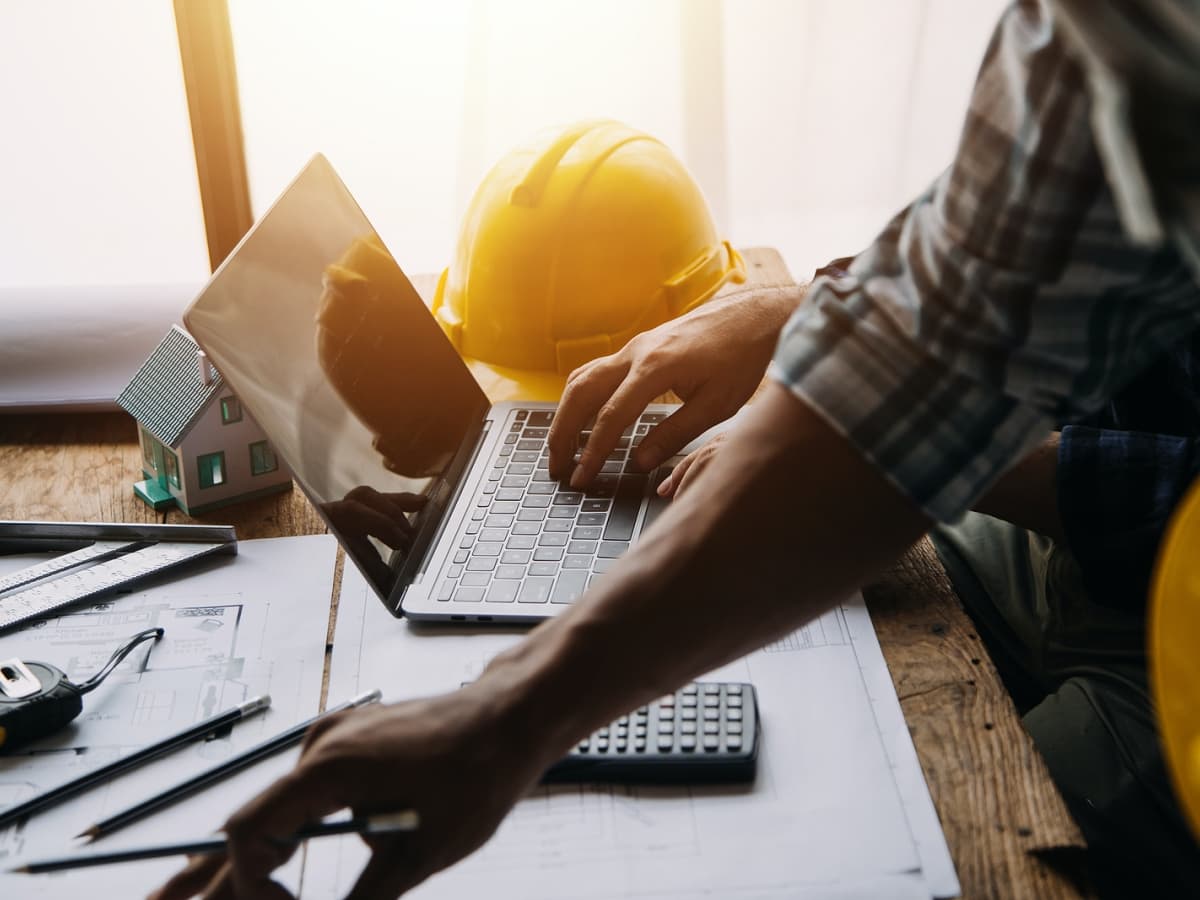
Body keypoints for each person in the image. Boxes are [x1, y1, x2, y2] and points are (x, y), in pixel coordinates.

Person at [154, 1, 1200, 897]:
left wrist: (504, 716)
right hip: (1087, 482)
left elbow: (913, 415)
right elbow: (1004, 271)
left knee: (939, 846)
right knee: (831, 665)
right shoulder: (1117, 32)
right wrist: (800, 314)